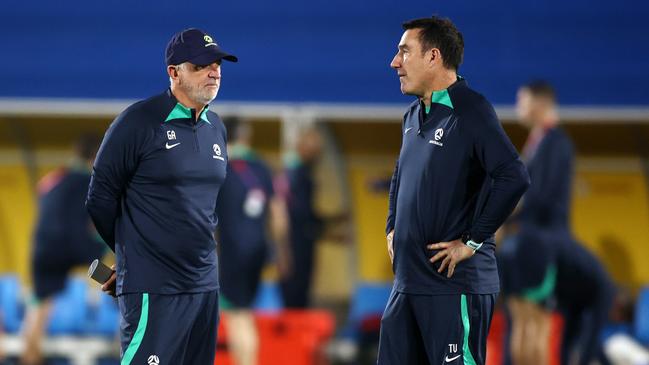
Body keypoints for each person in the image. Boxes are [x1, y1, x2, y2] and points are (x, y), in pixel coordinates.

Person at [378, 16, 529, 364]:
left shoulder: (471, 110)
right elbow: (400, 176)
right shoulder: (412, 115)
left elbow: (514, 176)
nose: (394, 63)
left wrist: (472, 241)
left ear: (433, 57)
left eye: (404, 52)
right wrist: (391, 227)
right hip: (407, 285)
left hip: (454, 287)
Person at [86, 28, 237, 365]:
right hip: (156, 286)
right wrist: (130, 259)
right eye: (200, 66)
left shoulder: (217, 128)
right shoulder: (138, 122)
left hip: (204, 287)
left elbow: (204, 210)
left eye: (217, 65)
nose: (214, 72)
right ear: (174, 72)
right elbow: (99, 198)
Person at [20, 135, 104, 365]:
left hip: (43, 248)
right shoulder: (89, 180)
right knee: (116, 279)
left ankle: (30, 357)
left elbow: (42, 196)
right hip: (72, 245)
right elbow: (90, 221)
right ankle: (134, 344)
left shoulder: (55, 177)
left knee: (39, 304)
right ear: (96, 156)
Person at [216, 118, 289, 365]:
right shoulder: (262, 167)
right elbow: (279, 215)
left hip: (231, 252)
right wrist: (281, 252)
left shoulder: (218, 167)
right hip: (258, 250)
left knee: (238, 316)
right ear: (246, 136)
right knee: (245, 312)